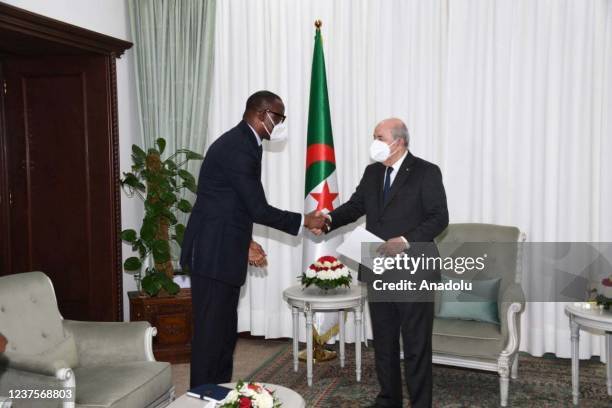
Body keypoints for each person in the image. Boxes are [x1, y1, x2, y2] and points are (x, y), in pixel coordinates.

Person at [180, 91, 327, 387]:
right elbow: (257, 207)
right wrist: (304, 220)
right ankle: (201, 397)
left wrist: (245, 241)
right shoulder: (238, 147)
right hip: (211, 254)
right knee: (211, 336)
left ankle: (218, 392)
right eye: (279, 117)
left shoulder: (247, 142)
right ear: (262, 115)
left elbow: (230, 203)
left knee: (223, 332)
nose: (281, 123)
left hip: (223, 247)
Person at [316, 118, 448, 408]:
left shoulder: (426, 172)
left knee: (415, 346)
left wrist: (405, 240)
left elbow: (439, 217)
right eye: (373, 135)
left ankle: (420, 402)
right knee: (384, 343)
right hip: (378, 268)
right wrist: (326, 222)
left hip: (414, 270)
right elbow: (354, 207)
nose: (373, 140)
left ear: (398, 141)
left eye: (378, 136)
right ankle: (389, 399)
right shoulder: (373, 172)